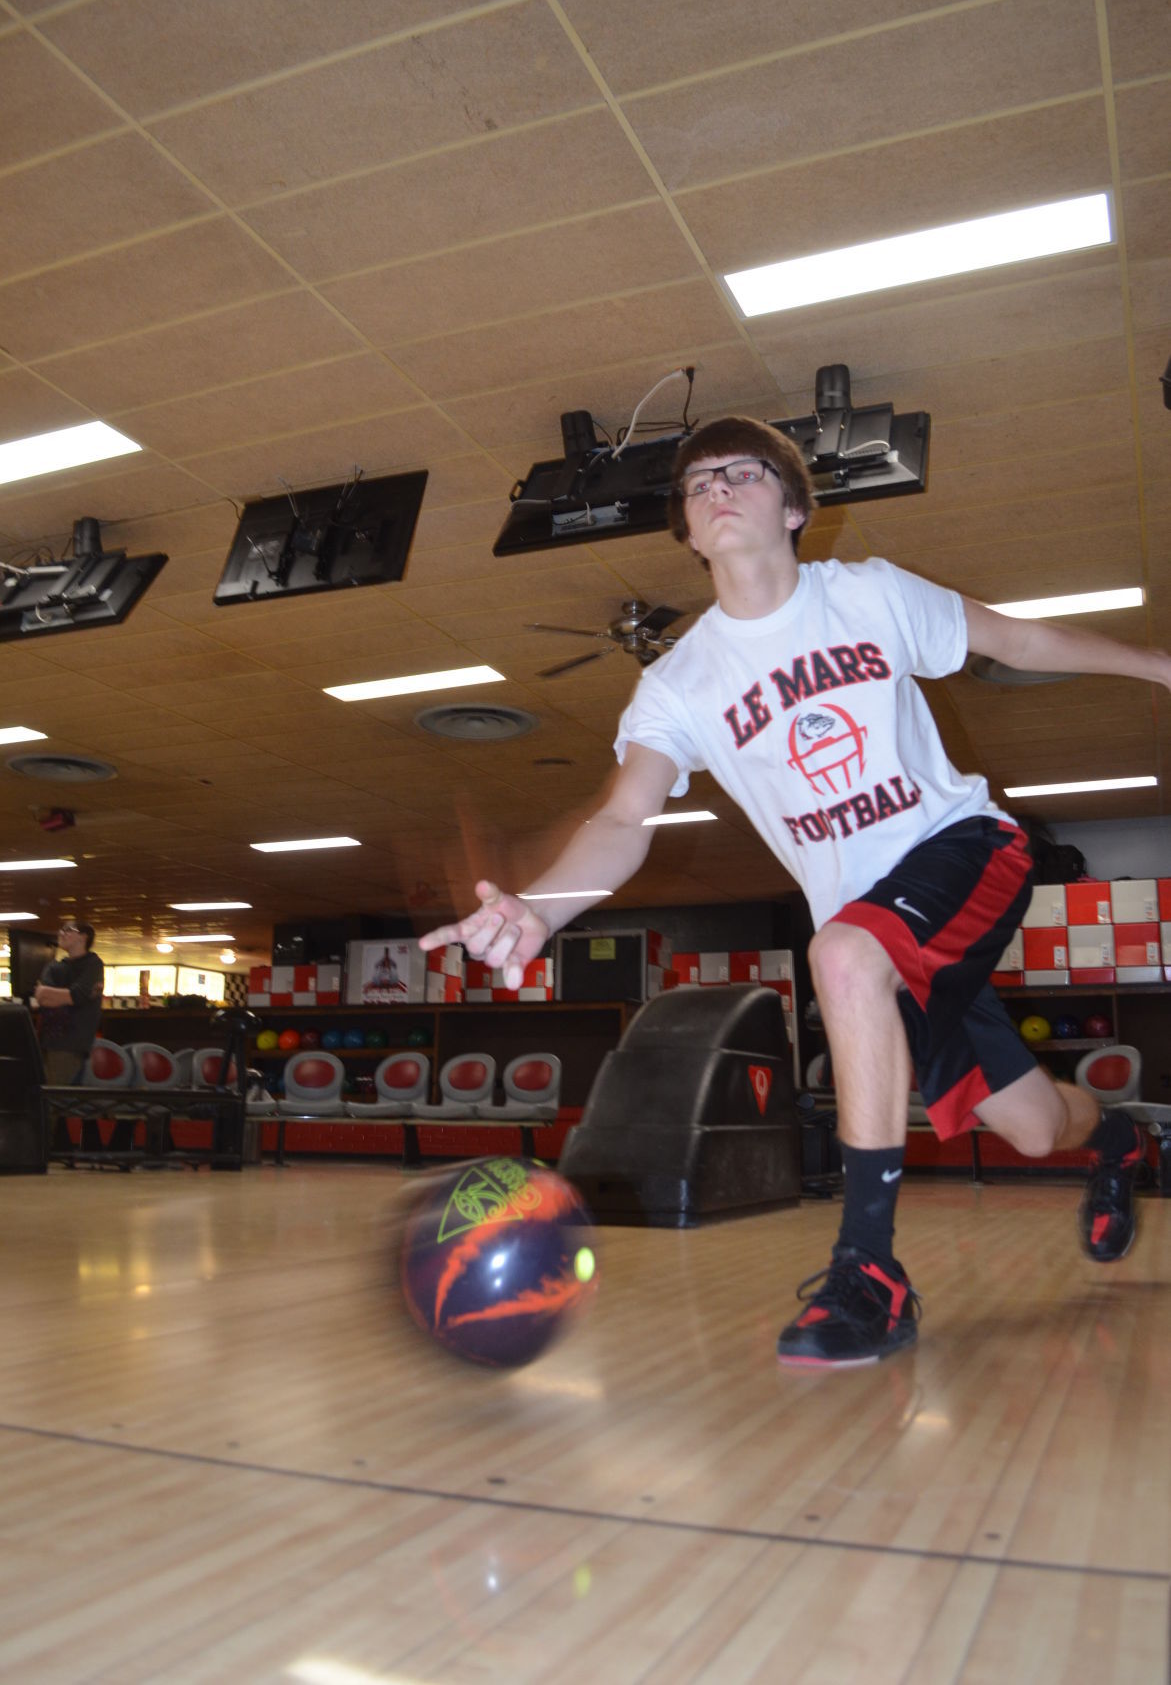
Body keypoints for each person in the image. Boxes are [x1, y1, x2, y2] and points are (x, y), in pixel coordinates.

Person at [421, 416, 1171, 1369]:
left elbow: (1016, 639)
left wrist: (1156, 664)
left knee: (841, 955)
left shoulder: (867, 595)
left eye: (742, 473)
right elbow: (622, 819)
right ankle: (1116, 1143)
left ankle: (869, 1270)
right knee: (1030, 1129)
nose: (716, 489)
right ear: (688, 535)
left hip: (962, 849)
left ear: (795, 506)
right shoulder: (678, 682)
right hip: (880, 932)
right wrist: (541, 906)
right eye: (697, 486)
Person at [36, 920, 106, 1153]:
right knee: (46, 1093)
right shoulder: (55, 966)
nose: (61, 933)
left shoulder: (93, 964)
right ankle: (45, 1147)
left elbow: (78, 995)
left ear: (83, 937)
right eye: (61, 928)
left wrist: (56, 995)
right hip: (47, 1039)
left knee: (54, 1096)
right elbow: (41, 997)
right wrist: (61, 995)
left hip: (71, 1042)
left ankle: (43, 1150)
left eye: (68, 930)